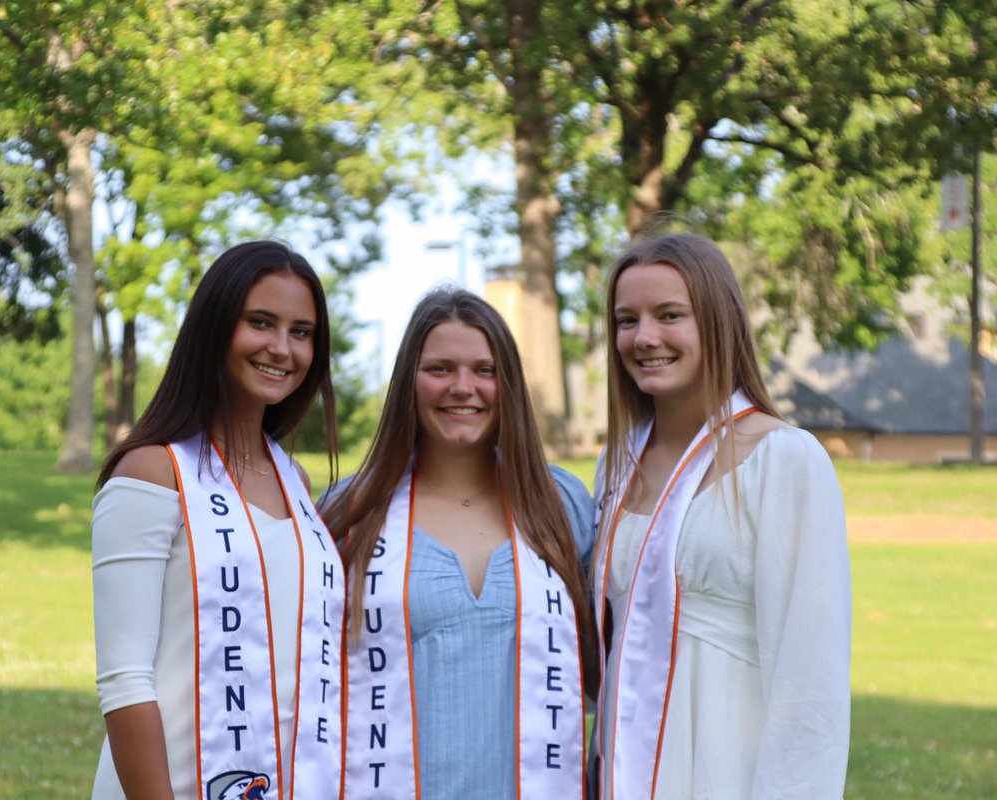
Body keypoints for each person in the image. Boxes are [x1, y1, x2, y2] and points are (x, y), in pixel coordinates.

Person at [593, 233, 851, 799]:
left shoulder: (784, 460)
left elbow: (811, 682)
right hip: (625, 767)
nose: (644, 338)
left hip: (724, 767)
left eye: (670, 315)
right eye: (626, 319)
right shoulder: (615, 466)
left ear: (718, 321)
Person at [90, 241, 345, 800]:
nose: (282, 348)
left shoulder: (296, 484)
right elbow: (125, 682)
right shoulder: (152, 473)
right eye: (260, 322)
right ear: (214, 327)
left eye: (301, 332)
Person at [323, 287, 599, 799]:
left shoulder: (560, 502)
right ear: (409, 380)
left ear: (508, 383)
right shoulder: (349, 513)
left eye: (485, 370)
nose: (462, 387)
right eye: (440, 369)